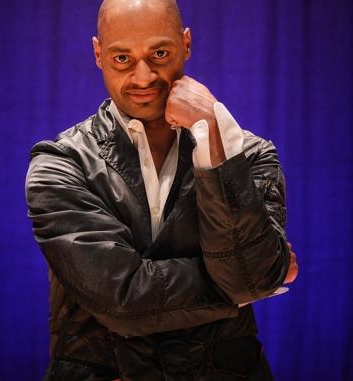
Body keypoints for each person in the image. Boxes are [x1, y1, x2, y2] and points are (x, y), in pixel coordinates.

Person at [26, 0, 298, 380]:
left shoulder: (250, 154)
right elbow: (124, 302)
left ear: (186, 44)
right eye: (122, 58)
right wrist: (255, 280)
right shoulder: (60, 164)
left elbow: (248, 278)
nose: (143, 77)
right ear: (98, 54)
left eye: (159, 53)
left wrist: (212, 143)